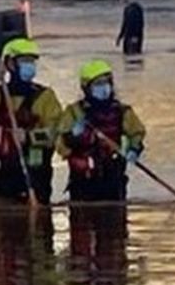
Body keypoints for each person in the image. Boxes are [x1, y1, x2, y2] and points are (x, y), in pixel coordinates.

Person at [0, 38, 63, 204]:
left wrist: (29, 137)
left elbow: (56, 133)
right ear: (10, 65)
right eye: (24, 61)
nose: (30, 66)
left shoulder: (45, 97)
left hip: (34, 172)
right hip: (0, 174)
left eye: (32, 62)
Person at [57, 60, 146, 202]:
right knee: (81, 220)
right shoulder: (74, 112)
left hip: (113, 176)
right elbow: (60, 143)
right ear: (87, 87)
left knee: (115, 219)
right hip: (83, 180)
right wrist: (73, 136)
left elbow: (137, 133)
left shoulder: (122, 111)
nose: (104, 88)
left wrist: (134, 149)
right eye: (98, 84)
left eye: (107, 83)